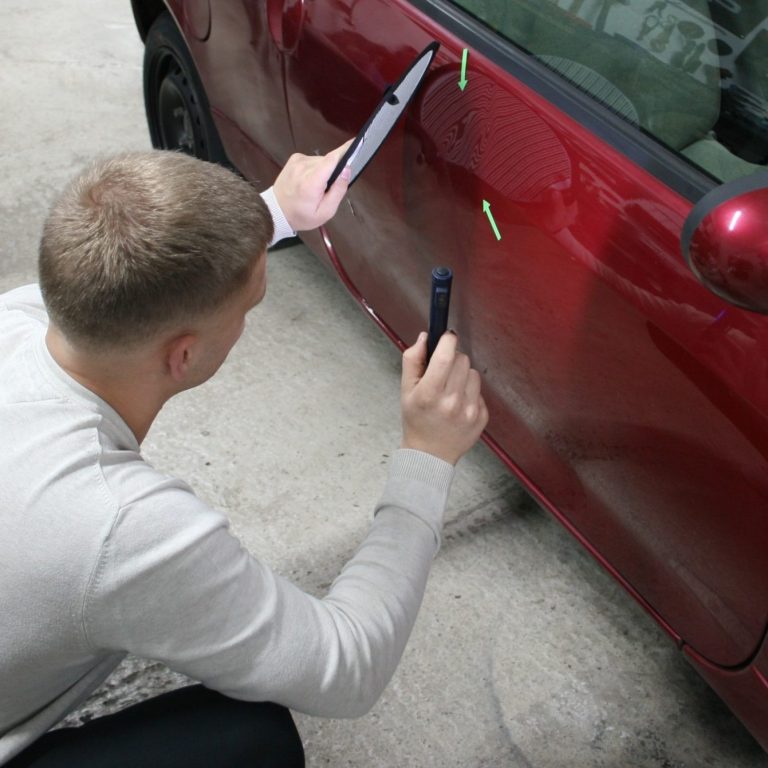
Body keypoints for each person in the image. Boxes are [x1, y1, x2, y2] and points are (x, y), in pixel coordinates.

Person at [0, 145, 488, 768]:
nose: (249, 314)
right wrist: (428, 455)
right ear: (183, 356)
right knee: (252, 740)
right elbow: (347, 665)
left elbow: (136, 272)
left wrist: (277, 210)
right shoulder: (120, 527)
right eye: (249, 306)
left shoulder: (20, 318)